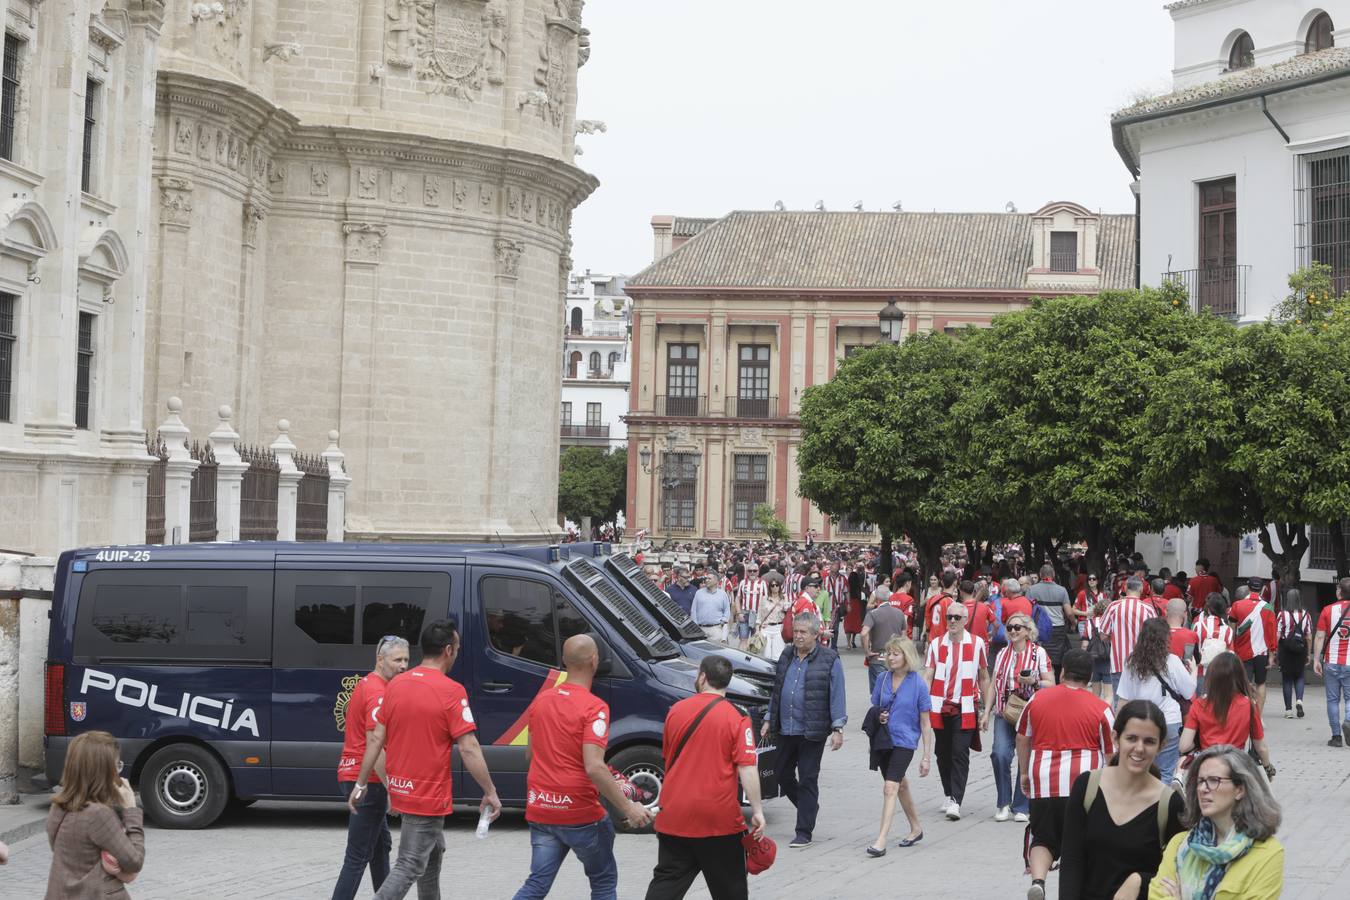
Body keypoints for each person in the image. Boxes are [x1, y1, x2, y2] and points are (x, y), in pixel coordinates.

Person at [350, 620, 502, 900]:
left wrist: (361, 783)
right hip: (427, 794)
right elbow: (469, 748)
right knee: (409, 864)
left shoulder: (395, 685)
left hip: (401, 787)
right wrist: (490, 791)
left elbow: (375, 739)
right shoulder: (451, 691)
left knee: (433, 853)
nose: (456, 653)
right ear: (448, 650)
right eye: (456, 648)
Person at [513, 635, 651, 900]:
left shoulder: (541, 700)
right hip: (580, 813)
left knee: (537, 884)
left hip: (541, 808)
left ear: (564, 662)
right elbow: (594, 767)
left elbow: (531, 755)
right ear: (594, 660)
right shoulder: (595, 707)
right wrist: (629, 808)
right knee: (603, 881)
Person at [645, 656, 766, 900]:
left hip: (675, 813)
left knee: (667, 882)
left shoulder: (676, 711)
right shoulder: (737, 718)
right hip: (717, 819)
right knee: (730, 889)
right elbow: (747, 767)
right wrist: (757, 810)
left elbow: (668, 757)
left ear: (702, 677)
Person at [1058, 701, 1186, 900]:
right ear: (1116, 739)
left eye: (1149, 741)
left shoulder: (1170, 804)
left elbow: (1178, 872)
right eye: (1132, 738)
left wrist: (1140, 882)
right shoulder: (1087, 786)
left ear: (1161, 746)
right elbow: (1072, 860)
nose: (1139, 748)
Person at [1014, 650, 1115, 900]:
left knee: (1043, 837)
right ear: (1089, 677)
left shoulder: (1038, 699)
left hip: (1044, 778)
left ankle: (1038, 880)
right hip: (1085, 784)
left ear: (1063, 672)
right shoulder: (1101, 708)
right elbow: (1111, 752)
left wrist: (1024, 773)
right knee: (1083, 840)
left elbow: (1022, 736)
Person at [332, 636, 411, 900]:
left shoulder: (369, 684)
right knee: (357, 857)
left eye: (406, 660)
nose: (403, 666)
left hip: (355, 775)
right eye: (397, 660)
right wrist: (394, 789)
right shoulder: (378, 691)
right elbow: (374, 745)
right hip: (368, 781)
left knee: (380, 847)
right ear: (380, 660)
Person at [1152, 746, 1285, 900]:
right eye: (1200, 781)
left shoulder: (1268, 854)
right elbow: (1156, 894)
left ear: (1240, 790)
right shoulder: (1179, 844)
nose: (1202, 788)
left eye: (1214, 780)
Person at [761, 611, 846, 849]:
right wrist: (769, 717)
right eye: (795, 631)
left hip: (812, 730)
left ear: (816, 635)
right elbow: (777, 690)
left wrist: (838, 727)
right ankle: (809, 806)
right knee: (780, 774)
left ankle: (803, 831)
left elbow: (837, 693)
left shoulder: (829, 659)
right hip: (785, 727)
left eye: (802, 632)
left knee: (808, 778)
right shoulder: (787, 655)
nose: (797, 636)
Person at [44, 731, 145, 900]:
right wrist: (131, 810)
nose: (118, 773)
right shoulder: (98, 814)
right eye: (116, 766)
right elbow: (134, 861)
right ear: (104, 771)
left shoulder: (58, 806)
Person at [921, 600, 992, 822]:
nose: (952, 621)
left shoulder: (977, 643)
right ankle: (949, 792)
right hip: (939, 705)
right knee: (942, 753)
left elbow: (984, 677)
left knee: (960, 752)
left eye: (956, 618)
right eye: (949, 617)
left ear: (965, 620)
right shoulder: (936, 644)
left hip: (966, 707)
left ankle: (956, 801)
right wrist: (920, 704)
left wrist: (987, 711)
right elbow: (928, 675)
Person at [864, 637, 933, 856]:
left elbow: (925, 722)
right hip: (884, 741)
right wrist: (880, 717)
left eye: (896, 653)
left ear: (907, 655)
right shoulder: (883, 679)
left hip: (905, 741)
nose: (890, 658)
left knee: (890, 787)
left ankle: (881, 840)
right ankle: (916, 828)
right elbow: (875, 707)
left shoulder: (918, 683)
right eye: (889, 653)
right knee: (900, 784)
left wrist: (926, 756)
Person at [987, 612, 1052, 823]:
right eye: (1009, 628)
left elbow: (1051, 682)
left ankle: (1021, 805)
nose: (1013, 631)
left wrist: (1035, 681)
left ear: (1028, 631)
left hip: (1030, 714)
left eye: (1017, 627)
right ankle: (1003, 803)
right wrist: (986, 711)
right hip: (1005, 711)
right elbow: (992, 685)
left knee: (1026, 758)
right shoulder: (1002, 654)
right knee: (1000, 754)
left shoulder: (1039, 653)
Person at [1116, 618, 1196, 787]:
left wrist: (1117, 728)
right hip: (1169, 720)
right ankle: (1161, 805)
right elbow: (1188, 692)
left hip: (1139, 722)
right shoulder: (1172, 661)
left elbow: (1123, 699)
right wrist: (1194, 672)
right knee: (1166, 770)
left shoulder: (1132, 663)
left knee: (1140, 767)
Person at [1178, 652, 1274, 781]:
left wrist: (1198, 745)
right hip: (1236, 768)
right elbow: (1260, 747)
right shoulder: (1249, 705)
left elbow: (1184, 746)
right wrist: (1268, 767)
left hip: (1207, 767)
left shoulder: (1199, 704)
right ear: (1240, 676)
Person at [1101, 576, 1159, 696]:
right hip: (1143, 663)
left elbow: (1103, 635)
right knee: (1141, 701)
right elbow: (1155, 638)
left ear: (1126, 588)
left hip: (1118, 663)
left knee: (1119, 703)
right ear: (1141, 589)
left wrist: (1115, 638)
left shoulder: (1113, 607)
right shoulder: (1148, 609)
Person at [1311, 575, 1350, 747]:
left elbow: (1320, 636)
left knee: (1333, 700)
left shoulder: (1327, 610)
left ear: (1340, 592)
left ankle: (1336, 737)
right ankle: (1348, 721)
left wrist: (1316, 660)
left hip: (1331, 661)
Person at [1228, 577, 1276, 714]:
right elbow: (1272, 633)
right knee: (1261, 683)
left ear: (1248, 588)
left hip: (1242, 651)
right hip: (1262, 653)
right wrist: (1272, 654)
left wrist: (1231, 649)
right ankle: (1258, 718)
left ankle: (1244, 715)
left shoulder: (1237, 605)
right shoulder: (1269, 607)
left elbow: (1232, 631)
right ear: (1261, 589)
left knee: (1243, 684)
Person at [1025, 564, 1073, 681]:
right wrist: (1073, 623)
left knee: (1040, 656)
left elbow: (1027, 609)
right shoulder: (1062, 590)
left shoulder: (1032, 590)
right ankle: (1055, 682)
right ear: (1054, 575)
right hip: (1057, 629)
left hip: (1038, 629)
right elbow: (1069, 613)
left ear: (1040, 575)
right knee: (1056, 660)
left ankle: (1041, 682)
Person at [861, 587, 908, 694]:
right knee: (895, 690)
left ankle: (881, 709)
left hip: (878, 658)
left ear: (877, 598)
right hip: (896, 657)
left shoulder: (872, 614)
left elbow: (864, 633)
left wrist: (867, 651)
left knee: (878, 693)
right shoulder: (899, 613)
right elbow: (904, 636)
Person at [1275, 589, 1312, 720]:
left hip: (1286, 650)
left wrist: (1274, 651)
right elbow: (1308, 636)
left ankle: (1288, 710)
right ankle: (1299, 701)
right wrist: (1308, 653)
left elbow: (1278, 634)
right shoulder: (1306, 614)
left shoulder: (1282, 614)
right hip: (1301, 649)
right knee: (1300, 676)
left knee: (1287, 679)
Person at [1194, 593, 1233, 696]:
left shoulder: (1199, 626)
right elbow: (1231, 654)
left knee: (1201, 705)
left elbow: (1193, 650)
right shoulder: (1228, 630)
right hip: (1221, 674)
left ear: (1209, 609)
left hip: (1201, 672)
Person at [733, 563, 766, 652]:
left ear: (758, 572)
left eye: (754, 571)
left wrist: (763, 617)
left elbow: (766, 600)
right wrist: (739, 613)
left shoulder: (763, 583)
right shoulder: (743, 582)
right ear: (747, 572)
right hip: (745, 613)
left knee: (755, 641)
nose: (752, 573)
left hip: (757, 614)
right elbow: (737, 598)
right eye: (750, 571)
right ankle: (740, 661)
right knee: (743, 639)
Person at [692, 574, 731, 644]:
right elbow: (693, 610)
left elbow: (727, 611)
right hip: (701, 629)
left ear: (716, 581)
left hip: (716, 629)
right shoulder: (699, 593)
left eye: (709, 579)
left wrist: (723, 622)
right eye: (706, 578)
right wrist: (695, 627)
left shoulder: (722, 594)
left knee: (718, 653)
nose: (707, 580)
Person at [758, 580, 788, 661]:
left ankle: (775, 672)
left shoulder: (783, 598)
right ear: (770, 587)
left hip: (778, 627)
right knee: (766, 655)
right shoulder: (764, 598)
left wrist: (784, 601)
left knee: (777, 655)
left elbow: (787, 609)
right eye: (772, 585)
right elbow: (759, 614)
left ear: (779, 586)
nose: (775, 587)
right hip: (766, 627)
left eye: (777, 585)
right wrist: (758, 628)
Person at [1165, 598, 1200, 668]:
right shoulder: (1191, 635)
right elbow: (1197, 660)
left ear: (1166, 612)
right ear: (1185, 614)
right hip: (1183, 676)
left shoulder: (1156, 633)